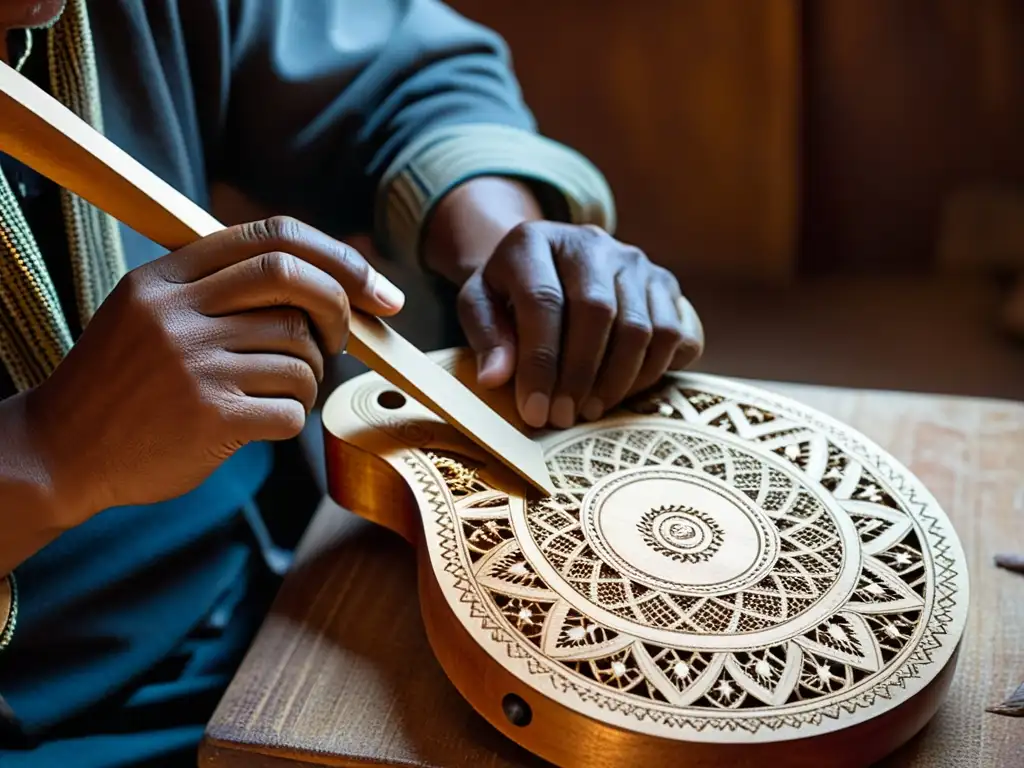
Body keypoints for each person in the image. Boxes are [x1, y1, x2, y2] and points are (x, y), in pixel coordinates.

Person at [0, 1, 704, 765]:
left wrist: (507, 249)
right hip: (47, 711)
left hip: (281, 564)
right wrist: (47, 453)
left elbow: (393, 69)